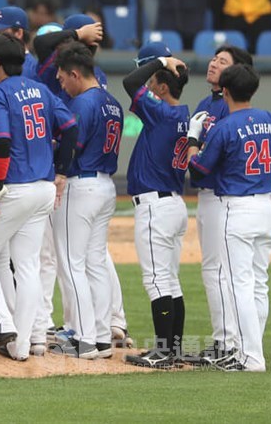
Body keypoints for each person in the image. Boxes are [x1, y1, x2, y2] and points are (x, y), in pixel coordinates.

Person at [189, 64, 271, 372]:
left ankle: (250, 357)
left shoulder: (225, 127)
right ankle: (250, 350)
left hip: (238, 209)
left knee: (240, 285)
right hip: (267, 207)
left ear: (225, 92)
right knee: (258, 284)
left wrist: (193, 141)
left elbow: (198, 171)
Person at [0, 33, 77, 362]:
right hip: (44, 186)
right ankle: (27, 344)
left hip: (15, 186)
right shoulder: (41, 90)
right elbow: (70, 127)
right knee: (28, 265)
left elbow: (1, 140)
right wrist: (62, 170)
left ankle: (2, 323)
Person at [120, 43, 191, 369]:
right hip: (173, 204)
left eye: (155, 81)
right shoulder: (182, 114)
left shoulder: (161, 111)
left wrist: (161, 60)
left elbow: (130, 83)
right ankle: (172, 350)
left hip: (155, 206)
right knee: (170, 280)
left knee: (157, 280)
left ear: (163, 86)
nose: (149, 86)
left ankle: (163, 351)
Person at [52, 42, 124, 359]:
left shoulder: (82, 103)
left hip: (81, 185)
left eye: (62, 75)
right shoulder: (112, 102)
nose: (59, 81)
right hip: (106, 186)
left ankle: (84, 340)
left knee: (72, 264)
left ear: (75, 73)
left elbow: (71, 145)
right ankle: (102, 336)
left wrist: (58, 170)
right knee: (94, 264)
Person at [183, 44, 254, 366]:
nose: (213, 63)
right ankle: (225, 340)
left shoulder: (231, 107)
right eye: (214, 58)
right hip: (210, 195)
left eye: (222, 61)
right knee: (217, 270)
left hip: (223, 194)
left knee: (220, 270)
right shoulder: (206, 103)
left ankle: (228, 343)